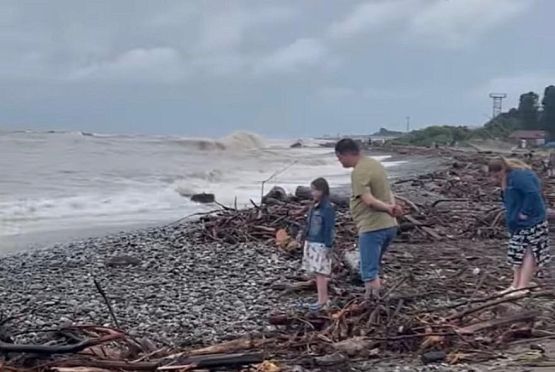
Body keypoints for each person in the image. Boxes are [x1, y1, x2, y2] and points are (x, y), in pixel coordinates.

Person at [335, 138, 402, 299]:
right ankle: (374, 299)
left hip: (373, 227)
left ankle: (372, 303)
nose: (340, 162)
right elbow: (388, 192)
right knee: (374, 265)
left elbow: (368, 201)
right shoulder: (375, 164)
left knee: (369, 271)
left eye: (340, 158)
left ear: (347, 154)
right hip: (389, 226)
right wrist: (392, 208)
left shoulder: (359, 172)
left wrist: (388, 209)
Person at [488, 157, 551, 294]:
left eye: (497, 176)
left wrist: (525, 212)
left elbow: (532, 193)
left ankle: (523, 286)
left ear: (503, 170)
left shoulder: (519, 176)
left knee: (530, 251)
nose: (495, 180)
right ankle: (515, 284)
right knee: (516, 253)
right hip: (517, 223)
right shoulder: (507, 180)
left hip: (533, 220)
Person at [301, 177, 336, 312]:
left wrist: (328, 245)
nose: (312, 193)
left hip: (321, 243)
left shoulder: (327, 208)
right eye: (312, 190)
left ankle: (323, 300)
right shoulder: (314, 206)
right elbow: (309, 223)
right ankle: (321, 299)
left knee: (321, 272)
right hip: (312, 240)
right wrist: (304, 236)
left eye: (315, 190)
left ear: (322, 190)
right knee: (317, 272)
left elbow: (329, 228)